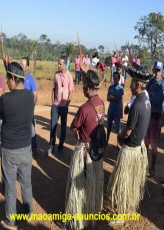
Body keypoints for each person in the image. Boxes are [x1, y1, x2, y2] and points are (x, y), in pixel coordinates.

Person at [58, 70, 105, 230]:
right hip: (95, 152)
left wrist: (77, 130)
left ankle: (71, 222)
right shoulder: (101, 104)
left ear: (90, 87)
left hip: (84, 152)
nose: (83, 87)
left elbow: (74, 125)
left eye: (85, 85)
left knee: (76, 185)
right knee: (90, 185)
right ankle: (88, 213)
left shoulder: (85, 108)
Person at [0, 61, 34, 229]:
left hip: (10, 150)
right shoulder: (30, 96)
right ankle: (28, 211)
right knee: (26, 183)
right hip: (26, 149)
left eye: (7, 79)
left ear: (12, 79)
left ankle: (11, 220)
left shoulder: (6, 99)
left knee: (10, 186)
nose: (6, 82)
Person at [107, 65, 151, 219]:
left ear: (139, 85)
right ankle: (128, 208)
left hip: (131, 149)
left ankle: (121, 213)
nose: (130, 85)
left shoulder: (137, 105)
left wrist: (119, 136)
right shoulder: (146, 100)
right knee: (132, 183)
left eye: (132, 83)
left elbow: (128, 131)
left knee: (123, 185)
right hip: (139, 147)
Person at [47, 56, 74, 155]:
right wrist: (52, 103)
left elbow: (71, 92)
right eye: (58, 63)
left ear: (65, 64)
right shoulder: (56, 75)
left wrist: (67, 104)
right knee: (53, 127)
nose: (58, 65)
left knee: (63, 128)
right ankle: (51, 146)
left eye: (60, 64)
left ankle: (61, 147)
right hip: (55, 105)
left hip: (64, 106)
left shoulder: (69, 76)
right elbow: (53, 89)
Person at [145, 61, 164, 176]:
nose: (157, 72)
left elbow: (159, 99)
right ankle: (144, 164)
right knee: (145, 141)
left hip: (156, 116)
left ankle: (152, 167)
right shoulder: (151, 82)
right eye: (156, 70)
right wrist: (151, 95)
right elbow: (147, 95)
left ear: (162, 71)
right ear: (153, 70)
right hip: (148, 114)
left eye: (159, 70)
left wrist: (151, 95)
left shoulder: (163, 84)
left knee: (154, 144)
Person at [20, 57, 38, 158]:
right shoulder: (17, 77)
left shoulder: (30, 79)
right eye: (20, 63)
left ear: (27, 67)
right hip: (18, 111)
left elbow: (35, 95)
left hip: (28, 110)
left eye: (22, 64)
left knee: (31, 130)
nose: (20, 65)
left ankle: (34, 149)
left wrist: (32, 108)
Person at [107, 71, 124, 145]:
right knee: (108, 127)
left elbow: (117, 98)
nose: (115, 80)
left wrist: (111, 97)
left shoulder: (121, 88)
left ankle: (118, 144)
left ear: (119, 79)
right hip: (111, 110)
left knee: (118, 129)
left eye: (116, 78)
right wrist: (113, 97)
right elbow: (108, 98)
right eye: (114, 78)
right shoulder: (110, 87)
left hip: (117, 110)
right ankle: (107, 141)